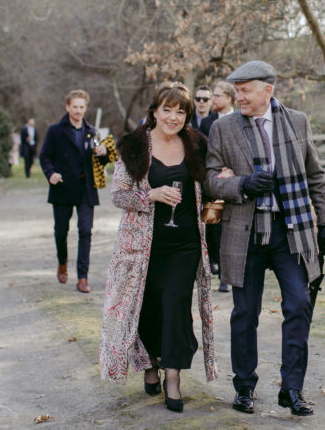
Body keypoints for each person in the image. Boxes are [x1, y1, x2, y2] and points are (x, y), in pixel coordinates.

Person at [205, 61, 325, 417]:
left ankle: (292, 389)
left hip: (289, 230)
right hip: (244, 233)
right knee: (245, 313)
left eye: (246, 89)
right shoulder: (223, 127)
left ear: (268, 90)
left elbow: (315, 175)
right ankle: (244, 388)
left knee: (298, 305)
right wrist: (242, 184)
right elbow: (211, 181)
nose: (239, 96)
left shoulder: (297, 121)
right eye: (237, 90)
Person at [99, 82, 217, 413]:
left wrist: (218, 197)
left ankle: (174, 377)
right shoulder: (135, 146)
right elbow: (118, 194)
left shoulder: (197, 144)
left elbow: (211, 189)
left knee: (176, 305)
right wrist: (149, 195)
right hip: (141, 247)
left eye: (181, 111)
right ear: (154, 111)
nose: (173, 116)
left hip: (185, 243)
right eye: (167, 109)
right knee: (149, 307)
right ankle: (150, 363)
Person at [39, 90, 108, 293]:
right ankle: (62, 262)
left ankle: (83, 277)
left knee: (85, 231)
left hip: (86, 189)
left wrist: (103, 154)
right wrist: (50, 173)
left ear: (86, 108)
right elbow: (44, 157)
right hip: (62, 188)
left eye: (81, 107)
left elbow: (101, 161)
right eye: (74, 107)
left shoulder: (92, 131)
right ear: (68, 107)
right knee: (61, 231)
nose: (78, 111)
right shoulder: (55, 131)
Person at [199, 80, 238, 292]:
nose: (212, 99)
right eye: (212, 95)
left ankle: (226, 275)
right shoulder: (207, 123)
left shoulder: (242, 120)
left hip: (234, 184)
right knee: (212, 227)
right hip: (213, 185)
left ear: (229, 98)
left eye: (217, 96)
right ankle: (215, 267)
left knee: (230, 231)